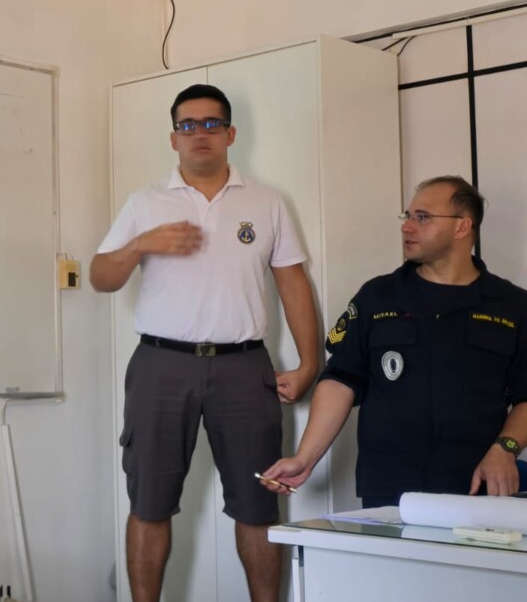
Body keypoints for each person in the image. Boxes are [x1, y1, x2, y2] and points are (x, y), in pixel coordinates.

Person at [91, 84, 319, 602]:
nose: (200, 134)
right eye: (188, 125)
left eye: (212, 124)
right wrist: (142, 244)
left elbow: (292, 284)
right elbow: (101, 277)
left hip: (244, 367)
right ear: (174, 138)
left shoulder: (267, 202)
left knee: (259, 505)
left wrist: (309, 363)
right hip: (161, 365)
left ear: (230, 134)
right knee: (149, 503)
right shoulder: (145, 201)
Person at [262, 176, 527, 506]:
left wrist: (506, 448)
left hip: (477, 486)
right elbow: (341, 381)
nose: (407, 227)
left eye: (423, 217)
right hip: (389, 487)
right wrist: (305, 458)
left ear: (462, 226)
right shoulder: (377, 297)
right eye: (408, 216)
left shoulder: (512, 306)